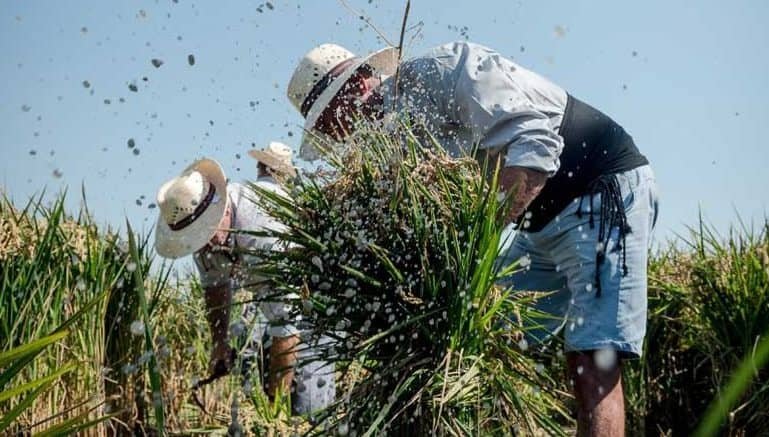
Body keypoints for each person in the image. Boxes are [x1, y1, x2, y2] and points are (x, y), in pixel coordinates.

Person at [286, 41, 659, 436]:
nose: (340, 137)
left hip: (599, 192)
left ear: (358, 83)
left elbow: (536, 145)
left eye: (333, 122)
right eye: (329, 132)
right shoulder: (395, 142)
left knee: (593, 360)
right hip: (538, 227)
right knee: (480, 339)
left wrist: (474, 250)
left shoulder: (442, 71)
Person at [153, 151, 334, 415]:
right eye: (197, 238)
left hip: (315, 301)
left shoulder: (262, 230)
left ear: (221, 209)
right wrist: (219, 344)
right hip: (274, 304)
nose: (205, 244)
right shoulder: (203, 239)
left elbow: (287, 327)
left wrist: (274, 416)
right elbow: (214, 287)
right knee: (258, 368)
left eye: (206, 233)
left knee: (305, 402)